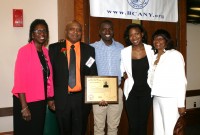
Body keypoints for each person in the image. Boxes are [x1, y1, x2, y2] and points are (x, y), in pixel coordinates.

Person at [48, 20, 97, 135]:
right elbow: (49, 75)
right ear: (66, 31)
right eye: (72, 29)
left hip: (81, 100)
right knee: (63, 131)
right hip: (61, 99)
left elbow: (92, 73)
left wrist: (96, 94)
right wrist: (50, 98)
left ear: (81, 33)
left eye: (78, 30)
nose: (75, 32)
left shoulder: (89, 50)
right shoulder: (54, 48)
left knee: (80, 131)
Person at [12, 19, 55, 135]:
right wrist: (24, 107)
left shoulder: (46, 52)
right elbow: (19, 80)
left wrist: (50, 98)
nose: (42, 34)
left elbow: (48, 77)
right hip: (25, 101)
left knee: (37, 131)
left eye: (45, 31)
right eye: (39, 31)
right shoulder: (24, 51)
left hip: (40, 101)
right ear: (32, 34)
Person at [147, 29, 187, 135]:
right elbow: (151, 78)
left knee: (170, 130)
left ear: (167, 40)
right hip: (156, 97)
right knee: (158, 130)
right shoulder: (154, 57)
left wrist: (181, 104)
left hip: (170, 99)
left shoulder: (174, 55)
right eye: (155, 38)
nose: (157, 40)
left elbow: (181, 80)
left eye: (161, 38)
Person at [90, 20, 124, 135]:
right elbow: (87, 68)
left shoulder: (121, 47)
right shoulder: (92, 48)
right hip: (98, 91)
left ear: (113, 31)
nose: (107, 31)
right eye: (104, 29)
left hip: (116, 91)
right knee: (99, 127)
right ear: (99, 32)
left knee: (113, 127)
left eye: (110, 29)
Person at [120, 23, 154, 135]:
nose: (134, 37)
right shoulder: (124, 51)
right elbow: (121, 69)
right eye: (131, 35)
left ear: (142, 34)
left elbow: (156, 67)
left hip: (146, 92)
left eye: (137, 34)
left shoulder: (151, 49)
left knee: (143, 123)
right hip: (131, 93)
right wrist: (123, 73)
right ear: (128, 37)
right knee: (133, 124)